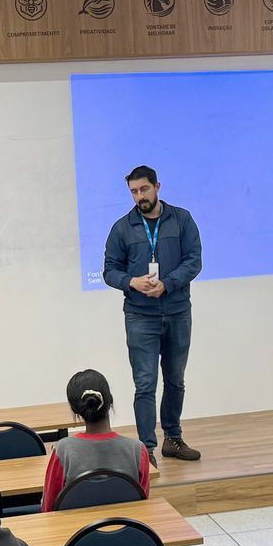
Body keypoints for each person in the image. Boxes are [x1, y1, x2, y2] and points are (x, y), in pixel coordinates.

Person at [103, 165, 201, 463]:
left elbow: (194, 260)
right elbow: (109, 270)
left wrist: (167, 284)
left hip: (177, 311)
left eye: (144, 189)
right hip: (140, 316)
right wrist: (131, 281)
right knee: (145, 384)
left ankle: (173, 438)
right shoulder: (122, 228)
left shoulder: (181, 219)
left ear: (157, 187)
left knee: (175, 380)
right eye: (133, 191)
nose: (139, 196)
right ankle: (146, 450)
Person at [42, 368, 151, 511]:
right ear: (110, 400)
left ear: (75, 409)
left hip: (76, 532)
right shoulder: (137, 450)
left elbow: (48, 509)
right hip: (126, 530)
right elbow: (143, 505)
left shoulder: (63, 451)